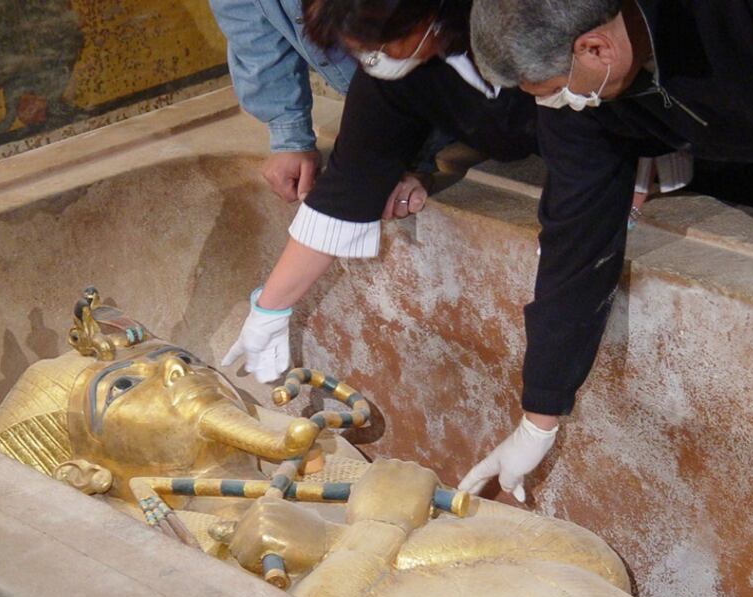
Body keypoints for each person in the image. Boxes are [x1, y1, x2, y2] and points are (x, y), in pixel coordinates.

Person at [460, 0, 753, 498]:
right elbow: (577, 234)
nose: (559, 104)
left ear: (595, 48)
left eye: (557, 91)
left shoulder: (748, 14)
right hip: (742, 129)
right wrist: (541, 412)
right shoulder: (585, 83)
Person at [219, 1, 544, 441]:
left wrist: (541, 420)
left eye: (376, 49)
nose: (372, 63)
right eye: (361, 54)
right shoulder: (392, 74)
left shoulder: (523, 29)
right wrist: (270, 307)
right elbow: (350, 182)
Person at [208, 0, 430, 210]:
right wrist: (290, 135)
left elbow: (435, 42)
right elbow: (250, 27)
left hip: (434, 103)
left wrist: (409, 151)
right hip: (387, 109)